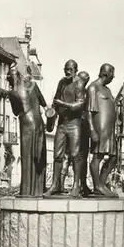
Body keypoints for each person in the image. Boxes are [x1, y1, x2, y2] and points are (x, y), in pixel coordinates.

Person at [45, 60, 85, 197]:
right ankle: (55, 185)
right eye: (66, 69)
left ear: (75, 70)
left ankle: (76, 186)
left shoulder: (79, 83)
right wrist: (52, 115)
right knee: (57, 155)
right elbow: (55, 101)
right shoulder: (61, 83)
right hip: (62, 123)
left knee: (75, 155)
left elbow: (80, 104)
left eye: (70, 70)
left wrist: (63, 103)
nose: (67, 72)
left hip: (74, 124)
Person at [7, 64, 47, 197]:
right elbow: (43, 103)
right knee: (39, 155)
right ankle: (38, 190)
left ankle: (26, 190)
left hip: (26, 123)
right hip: (39, 121)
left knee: (27, 155)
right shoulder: (33, 86)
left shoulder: (13, 92)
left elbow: (16, 111)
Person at [87, 63, 118, 197]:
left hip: (109, 129)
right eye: (112, 74)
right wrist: (92, 130)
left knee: (114, 157)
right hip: (99, 126)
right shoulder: (93, 87)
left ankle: (101, 183)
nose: (114, 77)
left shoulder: (108, 90)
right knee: (98, 156)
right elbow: (89, 111)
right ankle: (97, 186)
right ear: (106, 73)